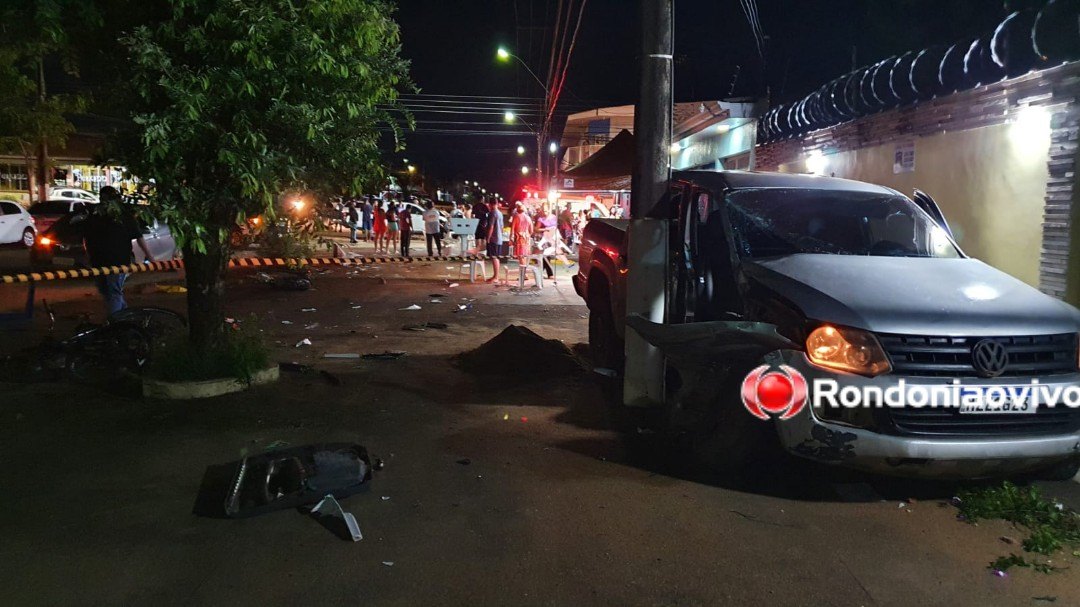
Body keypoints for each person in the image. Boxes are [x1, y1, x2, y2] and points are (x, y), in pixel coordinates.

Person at [82, 186, 154, 316]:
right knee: (108, 292)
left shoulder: (122, 215)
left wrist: (150, 257)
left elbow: (138, 236)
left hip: (116, 261)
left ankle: (116, 323)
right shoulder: (96, 214)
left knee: (113, 292)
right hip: (101, 260)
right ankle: (123, 318)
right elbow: (86, 237)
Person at [484, 198, 504, 282]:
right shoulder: (500, 213)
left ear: (490, 204)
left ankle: (496, 277)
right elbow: (502, 227)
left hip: (493, 238)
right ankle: (496, 276)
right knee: (496, 257)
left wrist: (488, 238)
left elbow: (491, 227)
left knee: (494, 257)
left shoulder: (492, 213)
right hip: (499, 238)